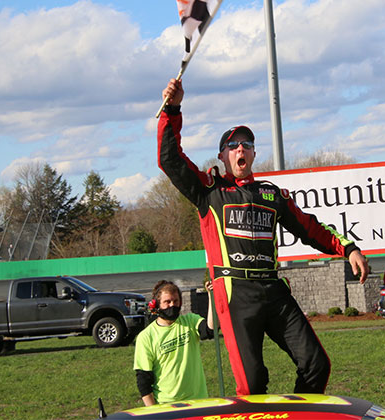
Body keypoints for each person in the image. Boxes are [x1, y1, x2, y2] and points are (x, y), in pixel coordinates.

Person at [157, 78, 370, 395]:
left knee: (316, 365)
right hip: (234, 292)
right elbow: (169, 159)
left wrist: (348, 248)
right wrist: (172, 109)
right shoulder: (209, 190)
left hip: (273, 290)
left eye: (247, 144)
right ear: (223, 156)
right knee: (253, 384)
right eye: (233, 145)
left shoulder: (272, 194)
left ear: (254, 154)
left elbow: (309, 227)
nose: (240, 148)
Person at [133, 280, 215, 405]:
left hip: (198, 401)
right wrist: (152, 412)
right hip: (167, 405)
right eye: (167, 302)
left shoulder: (190, 321)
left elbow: (210, 330)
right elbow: (143, 381)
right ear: (156, 305)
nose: (172, 305)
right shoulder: (146, 337)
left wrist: (211, 296)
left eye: (176, 301)